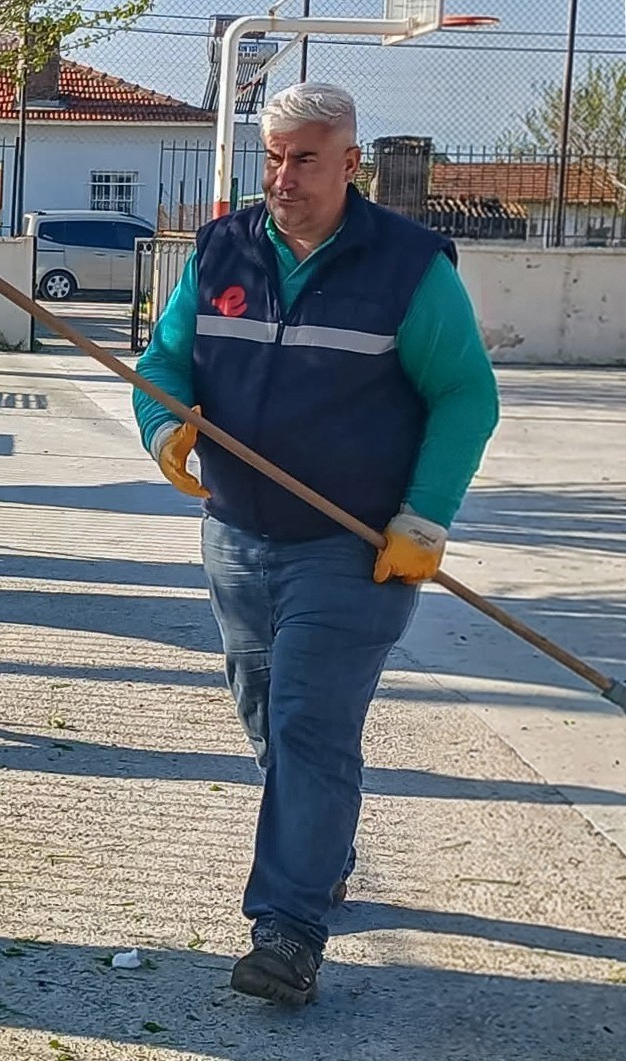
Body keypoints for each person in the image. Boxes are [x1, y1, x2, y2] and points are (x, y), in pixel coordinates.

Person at [131, 82, 500, 1004]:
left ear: (350, 163)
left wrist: (425, 516)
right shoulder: (222, 249)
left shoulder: (408, 268)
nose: (284, 177)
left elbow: (466, 394)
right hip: (236, 535)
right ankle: (321, 851)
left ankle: (289, 930)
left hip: (354, 546)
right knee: (269, 719)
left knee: (308, 723)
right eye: (273, 157)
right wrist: (165, 429)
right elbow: (165, 362)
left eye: (304, 158)